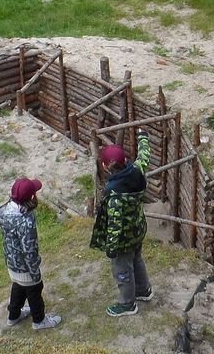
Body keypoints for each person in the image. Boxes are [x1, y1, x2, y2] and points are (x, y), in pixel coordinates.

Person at [90, 132, 153, 317]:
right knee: (136, 259)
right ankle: (144, 290)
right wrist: (143, 138)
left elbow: (115, 225)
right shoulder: (137, 170)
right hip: (138, 229)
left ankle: (127, 304)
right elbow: (144, 155)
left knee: (122, 269)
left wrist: (111, 247)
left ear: (105, 166)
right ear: (125, 160)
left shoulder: (114, 194)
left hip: (123, 239)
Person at [0, 177, 63, 330]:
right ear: (32, 197)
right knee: (34, 290)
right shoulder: (26, 221)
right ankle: (39, 321)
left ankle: (13, 316)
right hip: (26, 267)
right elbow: (29, 250)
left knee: (18, 287)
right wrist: (35, 274)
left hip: (12, 263)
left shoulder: (3, 210)